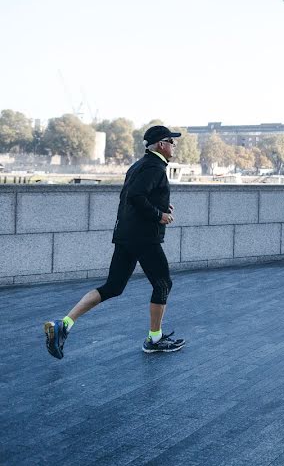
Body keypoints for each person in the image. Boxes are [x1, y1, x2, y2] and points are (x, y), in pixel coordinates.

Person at [43, 125, 186, 358]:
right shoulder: (155, 168)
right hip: (144, 238)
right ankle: (154, 339)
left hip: (126, 235)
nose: (174, 146)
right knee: (163, 284)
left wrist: (161, 206)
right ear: (161, 144)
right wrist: (160, 215)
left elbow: (131, 198)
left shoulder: (138, 165)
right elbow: (137, 197)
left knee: (113, 287)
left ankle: (65, 323)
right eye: (172, 141)